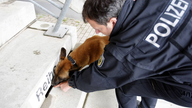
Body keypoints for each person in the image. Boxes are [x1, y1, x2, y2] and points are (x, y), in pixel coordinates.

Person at [55, 0, 192, 107]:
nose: (97, 33)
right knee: (149, 69)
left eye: (98, 28)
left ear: (113, 22)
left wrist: (71, 83)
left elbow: (103, 76)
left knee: (125, 84)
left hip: (187, 87)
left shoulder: (126, 51)